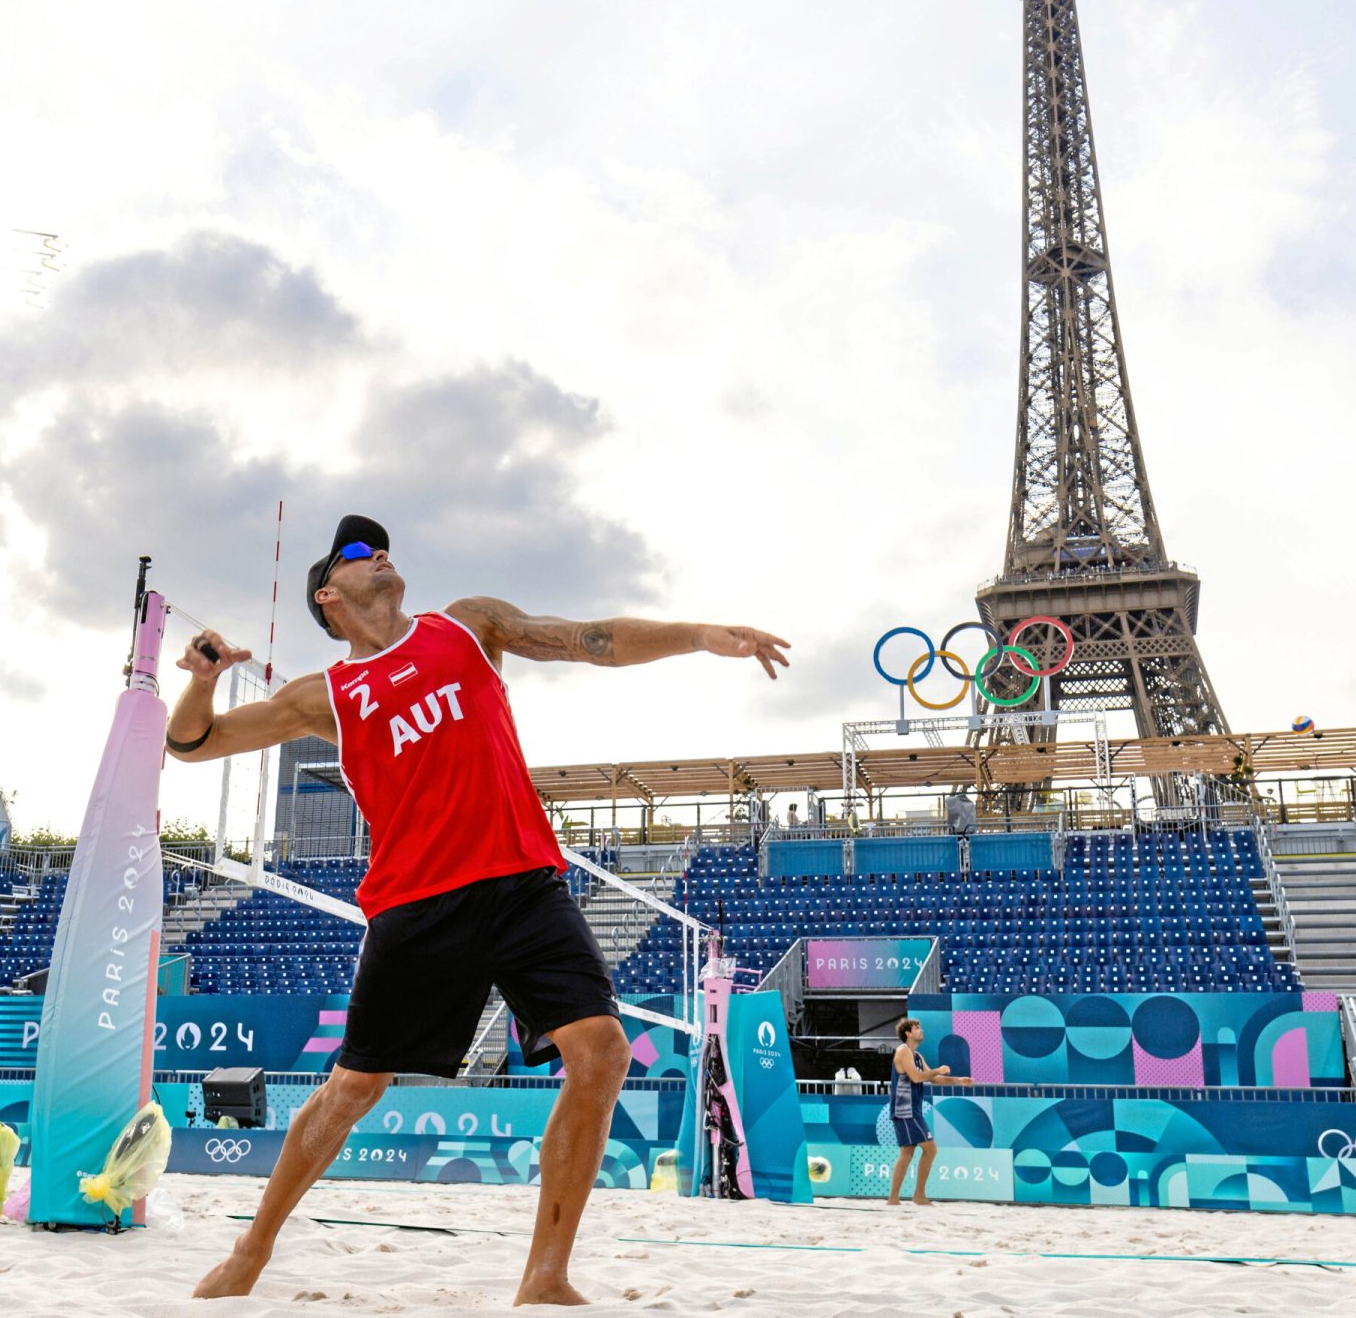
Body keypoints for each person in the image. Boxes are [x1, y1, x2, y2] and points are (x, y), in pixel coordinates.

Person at [170, 514, 788, 1306]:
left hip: (523, 881)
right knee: (353, 1090)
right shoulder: (324, 694)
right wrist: (202, 676)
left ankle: (545, 1275)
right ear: (329, 595)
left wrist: (699, 634)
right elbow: (192, 743)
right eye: (359, 552)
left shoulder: (466, 626)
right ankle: (251, 1250)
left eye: (382, 543)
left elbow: (584, 637)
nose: (380, 551)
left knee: (601, 1054)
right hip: (417, 903)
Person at [887, 1015, 970, 1206]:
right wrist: (938, 1070)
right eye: (917, 1028)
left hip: (911, 1109)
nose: (921, 1030)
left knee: (907, 1152)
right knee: (930, 1149)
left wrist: (957, 1080)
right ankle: (917, 1196)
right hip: (905, 1109)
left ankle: (894, 1198)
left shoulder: (917, 1055)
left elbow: (932, 1079)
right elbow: (917, 1078)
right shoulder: (903, 1051)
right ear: (908, 1033)